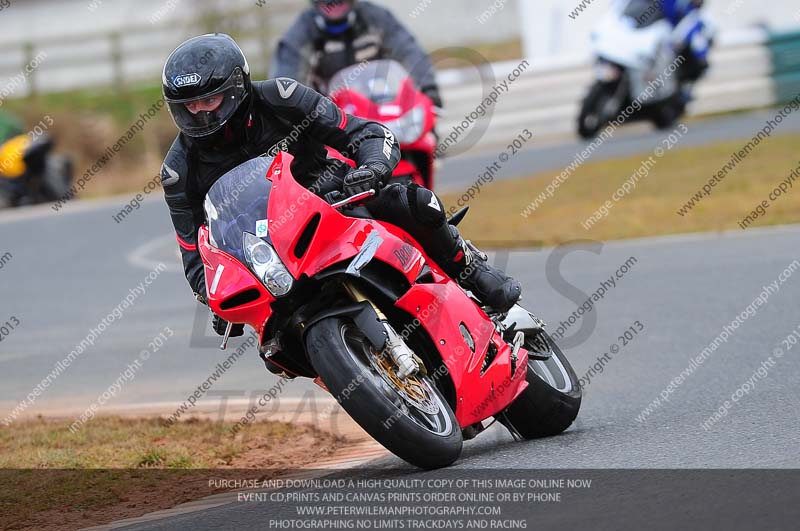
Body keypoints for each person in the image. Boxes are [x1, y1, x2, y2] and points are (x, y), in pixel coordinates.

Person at [160, 34, 520, 337]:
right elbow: (193, 252)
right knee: (275, 342)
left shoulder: (281, 98)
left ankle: (470, 270)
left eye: (210, 99)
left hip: (332, 199)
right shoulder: (178, 170)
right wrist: (213, 298)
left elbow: (362, 131)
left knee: (410, 201)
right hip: (269, 252)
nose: (202, 113)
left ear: (237, 86)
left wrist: (373, 164)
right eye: (189, 106)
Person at [271, 0, 442, 107]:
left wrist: (428, 90)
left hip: (384, 108)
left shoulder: (378, 18)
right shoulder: (300, 34)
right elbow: (288, 81)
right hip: (331, 123)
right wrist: (293, 113)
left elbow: (410, 53)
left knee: (426, 141)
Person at [660, 0, 712, 82]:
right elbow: (671, 12)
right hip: (669, 28)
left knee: (699, 32)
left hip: (686, 28)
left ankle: (701, 61)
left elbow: (697, 6)